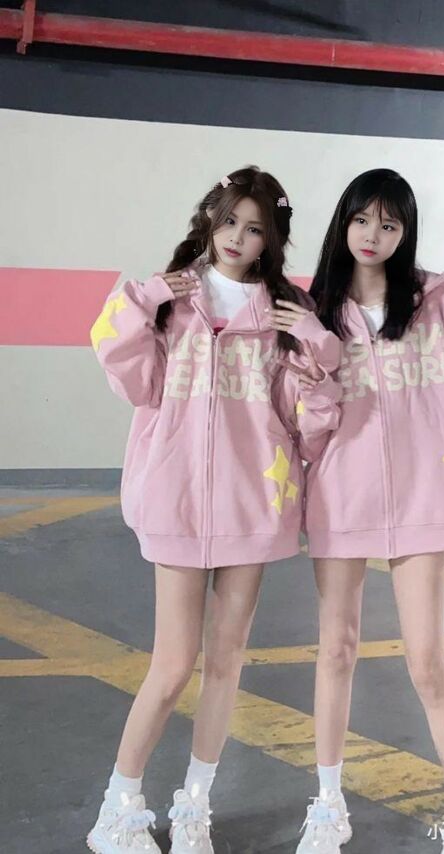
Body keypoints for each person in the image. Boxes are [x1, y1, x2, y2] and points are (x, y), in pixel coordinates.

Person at [87, 165, 342, 854]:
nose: (237, 236)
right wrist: (143, 300)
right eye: (228, 220)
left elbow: (310, 421)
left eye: (254, 228)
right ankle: (117, 809)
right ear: (209, 219)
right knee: (173, 665)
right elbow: (128, 375)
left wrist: (318, 346)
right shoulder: (172, 298)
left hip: (252, 506)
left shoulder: (284, 314)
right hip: (175, 502)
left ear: (270, 240)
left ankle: (194, 805)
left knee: (226, 663)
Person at [284, 168, 444, 854]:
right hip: (342, 496)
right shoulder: (313, 311)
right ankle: (327, 805)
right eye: (362, 219)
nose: (373, 234)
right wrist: (315, 371)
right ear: (344, 222)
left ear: (405, 232)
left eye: (389, 223)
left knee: (426, 660)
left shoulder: (437, 304)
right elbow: (306, 425)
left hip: (427, 496)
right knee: (336, 650)